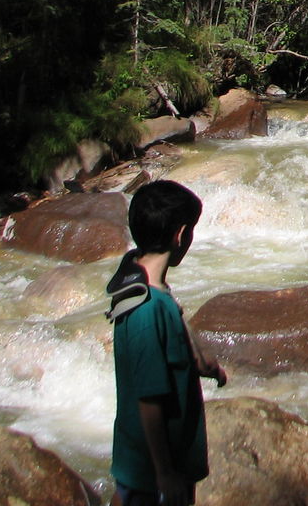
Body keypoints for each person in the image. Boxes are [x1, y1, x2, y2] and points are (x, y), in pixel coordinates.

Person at [105, 180, 226, 506]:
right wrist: (164, 473)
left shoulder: (141, 284)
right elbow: (149, 399)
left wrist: (204, 365)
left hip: (143, 465)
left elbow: (176, 332)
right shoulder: (148, 311)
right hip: (153, 472)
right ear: (180, 235)